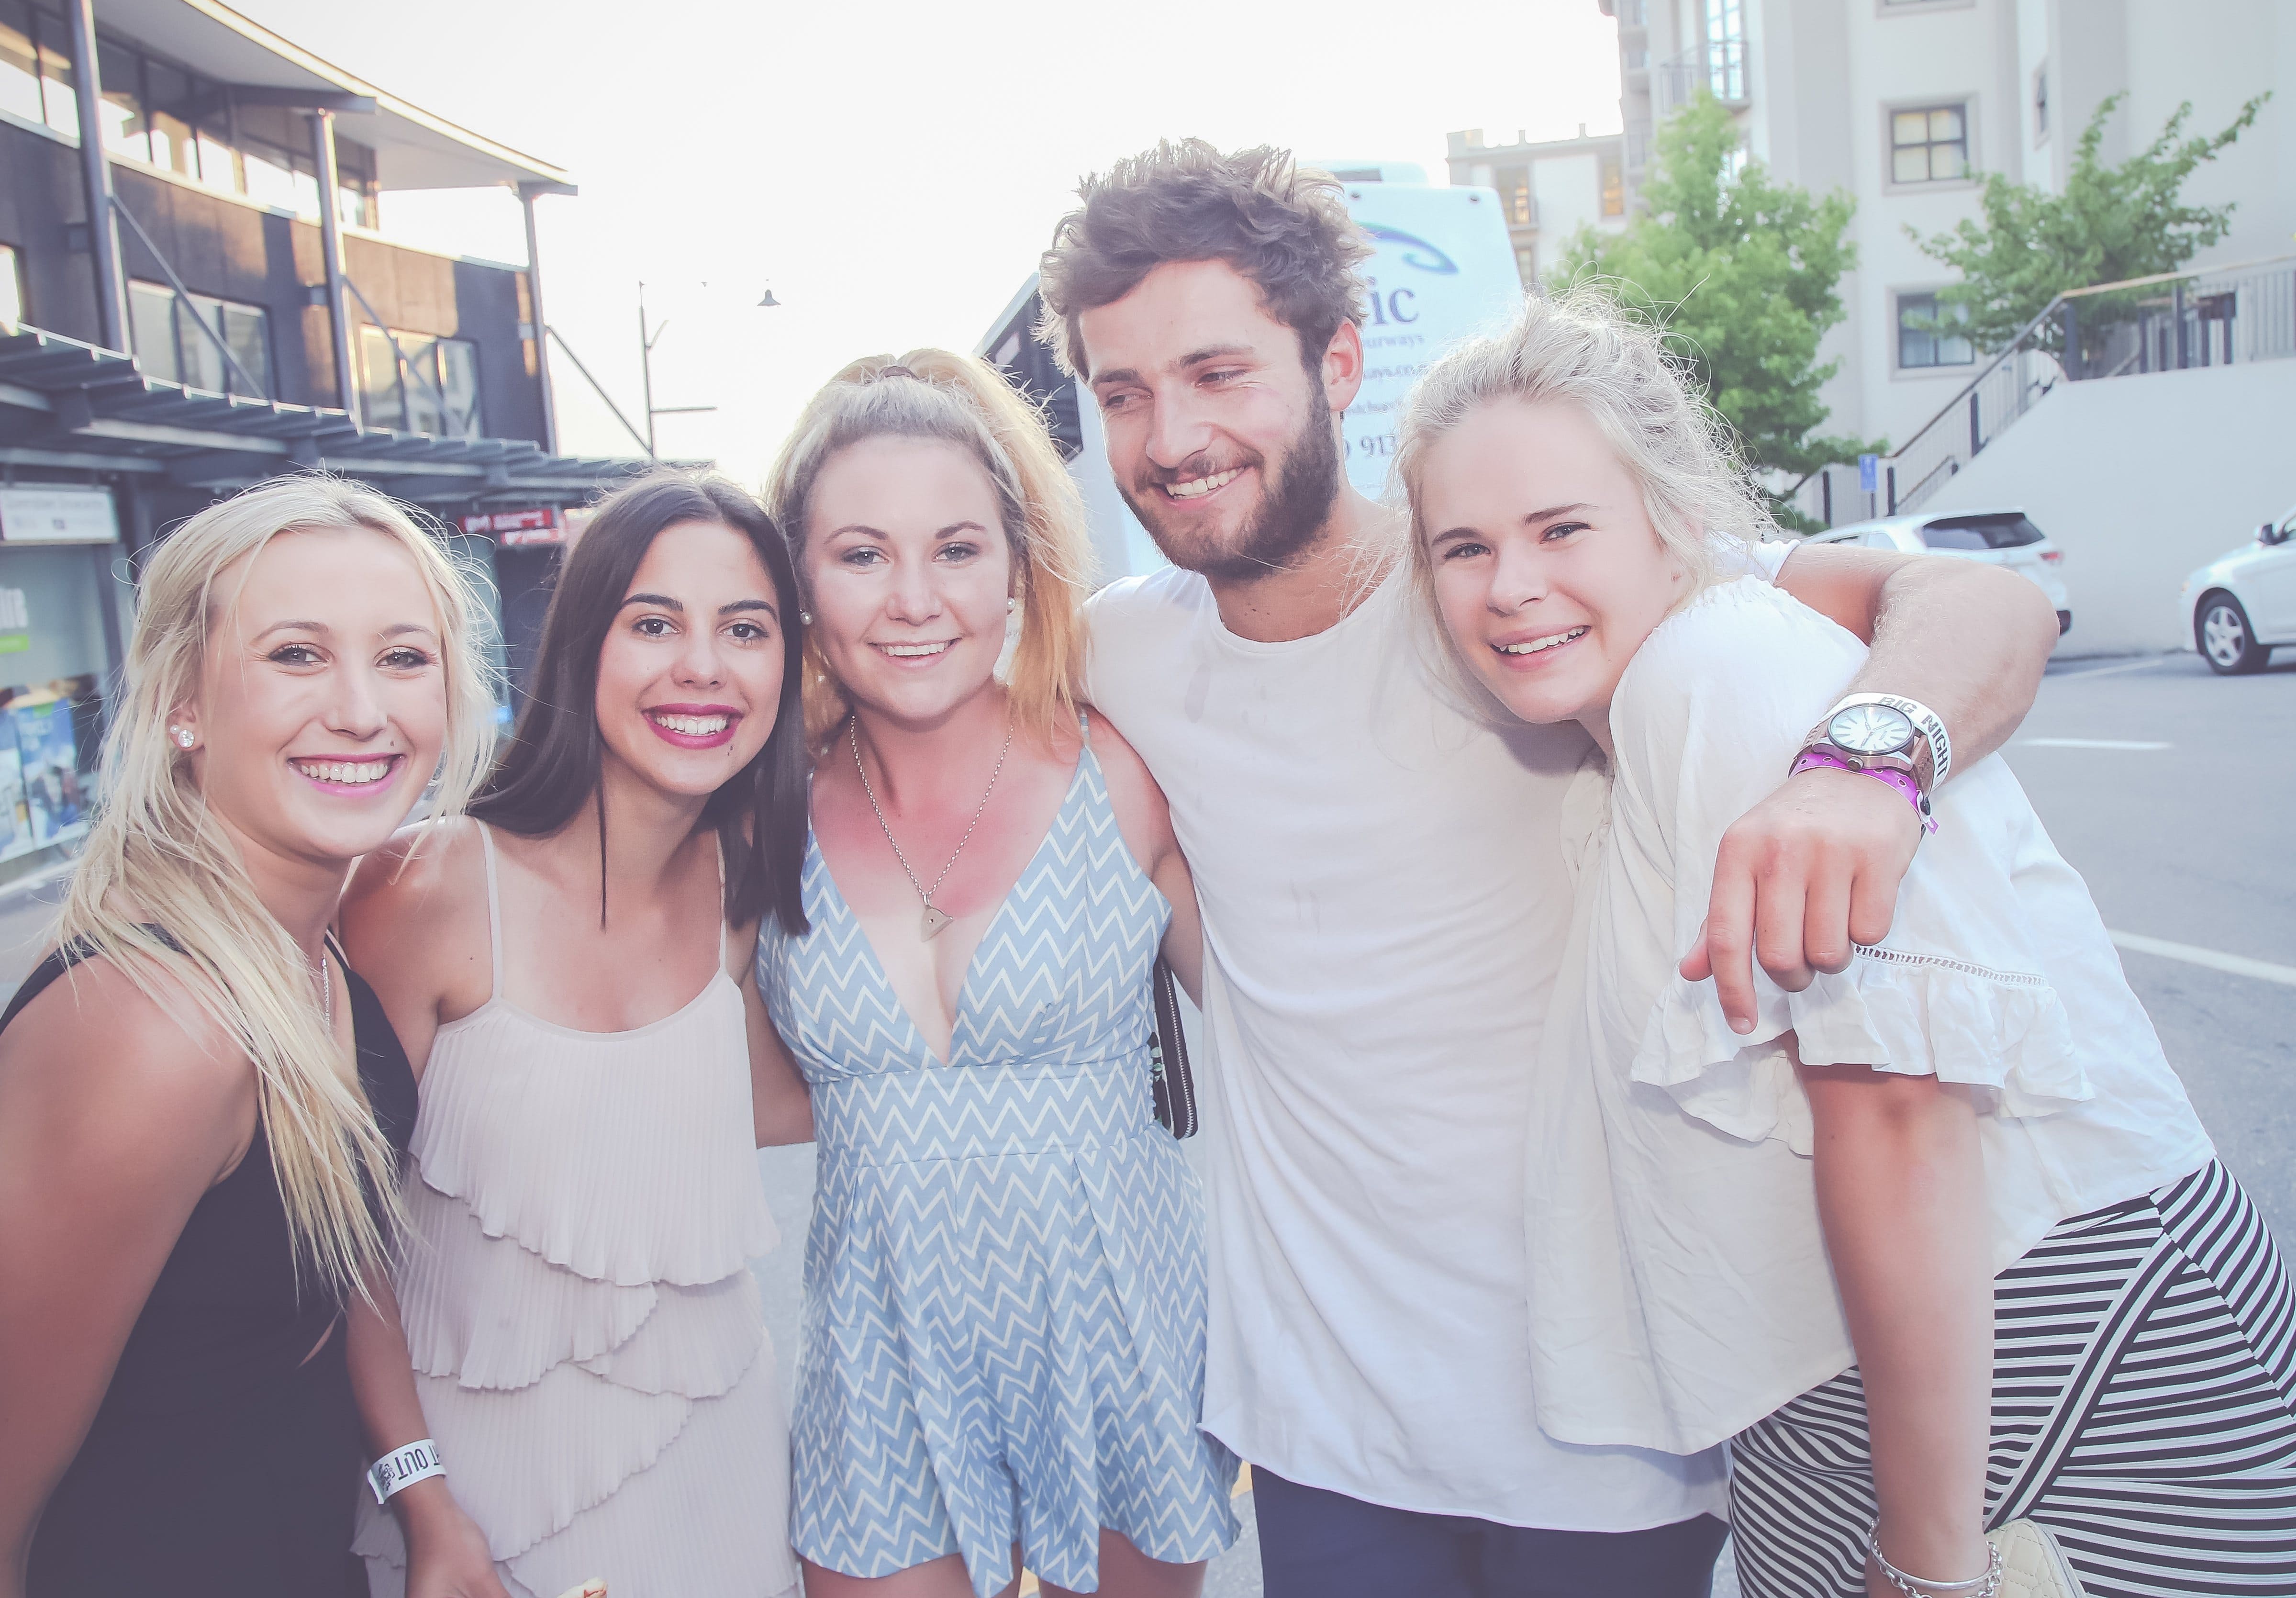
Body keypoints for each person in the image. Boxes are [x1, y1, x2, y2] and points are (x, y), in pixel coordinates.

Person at [1037, 140, 2068, 1597]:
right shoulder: (1122, 650)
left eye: (1216, 373)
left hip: (1611, 1430)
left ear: (1335, 364)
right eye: (1122, 391)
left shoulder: (1505, 583)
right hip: (1328, 1427)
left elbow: (1975, 602)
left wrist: (1864, 772)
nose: (1168, 435)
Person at [1398, 291, 2296, 1598]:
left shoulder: (1713, 670)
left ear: (1671, 525)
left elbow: (1893, 1108)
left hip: (2049, 1358)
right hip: (1907, 1384)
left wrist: (1930, 1565)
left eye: (1559, 528)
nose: (1511, 584)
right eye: (1461, 546)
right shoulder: (1668, 686)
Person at [0, 476, 506, 1598]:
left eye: (404, 658)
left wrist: (422, 1493)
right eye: (297, 655)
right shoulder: (155, 1029)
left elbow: (327, 1232)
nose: (363, 709)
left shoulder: (312, 950)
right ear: (183, 700)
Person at [755, 350, 1237, 1598]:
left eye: (956, 549)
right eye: (860, 555)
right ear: (797, 577)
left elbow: (1291, 1027)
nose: (913, 598)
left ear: (1017, 565)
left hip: (1117, 1340)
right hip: (876, 1358)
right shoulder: (756, 820)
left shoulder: (1122, 769)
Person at [340, 470, 814, 1598]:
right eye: (653, 623)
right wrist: (423, 1503)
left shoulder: (741, 878)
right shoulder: (428, 886)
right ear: (579, 644)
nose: (702, 665)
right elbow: (335, 1240)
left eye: (743, 629)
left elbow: (782, 1100)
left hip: (721, 1478)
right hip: (474, 1502)